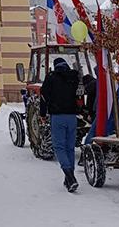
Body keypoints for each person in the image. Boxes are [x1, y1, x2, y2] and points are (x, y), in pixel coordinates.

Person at [41, 57, 80, 192]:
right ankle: (69, 179)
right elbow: (80, 95)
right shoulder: (74, 77)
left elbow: (44, 96)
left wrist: (42, 114)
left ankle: (70, 177)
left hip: (57, 117)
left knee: (59, 148)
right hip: (72, 117)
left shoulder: (51, 78)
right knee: (70, 148)